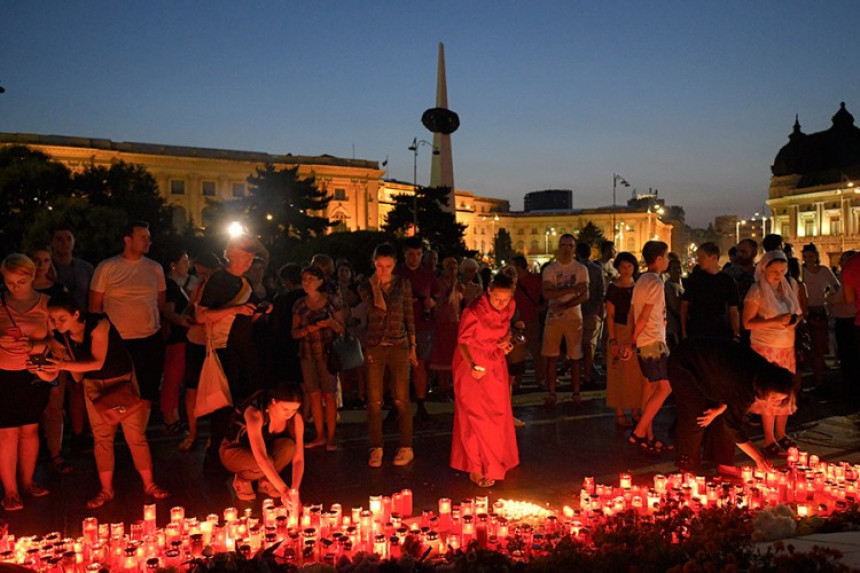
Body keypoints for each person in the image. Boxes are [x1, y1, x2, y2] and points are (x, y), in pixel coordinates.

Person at [45, 292, 170, 508]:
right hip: (94, 387)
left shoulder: (98, 324)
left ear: (76, 314)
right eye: (53, 320)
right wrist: (47, 366)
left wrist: (63, 365)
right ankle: (106, 490)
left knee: (135, 435)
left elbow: (97, 362)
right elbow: (74, 374)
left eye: (62, 319)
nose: (57, 324)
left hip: (120, 381)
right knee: (102, 439)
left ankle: (149, 484)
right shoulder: (60, 337)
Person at [669, 338, 794, 475]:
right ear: (766, 387)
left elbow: (731, 396)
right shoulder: (746, 384)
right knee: (698, 416)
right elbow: (734, 425)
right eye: (774, 398)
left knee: (724, 415)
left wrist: (719, 409)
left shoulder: (762, 373)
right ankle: (687, 466)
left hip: (714, 372)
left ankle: (724, 463)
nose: (775, 403)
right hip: (686, 364)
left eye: (780, 400)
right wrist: (758, 457)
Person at [197, 234, 270, 457]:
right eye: (245, 254)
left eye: (251, 255)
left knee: (247, 398)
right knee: (225, 403)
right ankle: (219, 450)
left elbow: (244, 316)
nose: (249, 259)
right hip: (225, 347)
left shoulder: (245, 282)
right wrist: (235, 310)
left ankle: (242, 445)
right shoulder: (219, 279)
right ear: (231, 254)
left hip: (244, 347)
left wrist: (259, 311)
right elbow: (201, 316)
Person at [450, 272, 519, 488]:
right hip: (471, 363)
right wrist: (472, 364)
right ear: (488, 291)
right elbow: (462, 342)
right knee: (474, 416)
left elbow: (505, 332)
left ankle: (495, 461)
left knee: (497, 414)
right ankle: (475, 466)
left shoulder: (510, 307)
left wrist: (507, 342)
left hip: (495, 362)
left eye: (505, 299)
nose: (501, 303)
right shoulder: (474, 311)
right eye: (497, 298)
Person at [89, 221, 166, 407]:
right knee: (117, 392)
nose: (148, 241)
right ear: (127, 240)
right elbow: (94, 306)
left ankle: (139, 433)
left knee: (147, 390)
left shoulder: (155, 268)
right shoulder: (107, 267)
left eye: (149, 237)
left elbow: (160, 302)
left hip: (149, 339)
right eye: (143, 238)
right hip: (117, 341)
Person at [0, 254, 53, 511]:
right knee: (7, 433)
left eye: (20, 281)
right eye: (9, 282)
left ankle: (28, 480)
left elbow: (57, 341)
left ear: (32, 277)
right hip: (3, 373)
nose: (14, 287)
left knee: (30, 429)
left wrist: (35, 345)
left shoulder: (45, 304)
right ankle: (10, 490)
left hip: (33, 373)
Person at [743, 249, 802, 457]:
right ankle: (769, 437)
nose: (778, 275)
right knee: (770, 391)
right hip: (765, 348)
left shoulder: (789, 287)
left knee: (786, 389)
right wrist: (774, 321)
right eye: (774, 270)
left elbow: (797, 312)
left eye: (782, 270)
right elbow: (747, 323)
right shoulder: (756, 290)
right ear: (763, 269)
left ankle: (781, 431)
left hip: (786, 346)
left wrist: (792, 322)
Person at [364, 243, 417, 468]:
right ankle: (376, 447)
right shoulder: (366, 285)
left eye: (388, 266)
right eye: (379, 266)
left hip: (399, 344)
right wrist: (376, 288)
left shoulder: (403, 284)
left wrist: (413, 347)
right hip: (375, 346)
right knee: (375, 400)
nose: (383, 270)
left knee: (401, 398)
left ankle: (406, 446)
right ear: (374, 264)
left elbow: (408, 314)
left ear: (395, 265)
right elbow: (377, 310)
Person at [28, 246, 73, 474]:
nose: (41, 265)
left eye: (45, 260)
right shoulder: (17, 292)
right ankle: (30, 456)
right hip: (28, 353)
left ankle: (56, 452)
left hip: (55, 352)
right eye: (36, 260)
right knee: (29, 406)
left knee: (55, 405)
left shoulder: (57, 290)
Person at [219, 387, 305, 505]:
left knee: (290, 447)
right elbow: (261, 459)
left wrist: (294, 492)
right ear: (274, 401)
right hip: (234, 451)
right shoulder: (255, 413)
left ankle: (266, 481)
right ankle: (242, 479)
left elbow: (298, 459)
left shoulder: (296, 418)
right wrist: (284, 490)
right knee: (265, 462)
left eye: (294, 409)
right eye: (285, 408)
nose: (289, 414)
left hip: (264, 455)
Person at [291, 266, 345, 451]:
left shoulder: (331, 301)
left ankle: (331, 436)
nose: (307, 282)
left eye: (311, 279)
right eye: (304, 279)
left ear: (320, 281)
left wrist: (331, 323)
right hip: (307, 354)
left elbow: (343, 327)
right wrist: (307, 329)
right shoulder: (299, 304)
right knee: (313, 394)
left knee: (329, 395)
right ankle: (320, 435)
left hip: (327, 353)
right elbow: (294, 333)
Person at [50, 226, 93, 452]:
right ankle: (52, 440)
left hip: (80, 330)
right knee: (56, 385)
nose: (64, 243)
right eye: (60, 239)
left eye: (68, 238)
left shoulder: (86, 269)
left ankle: (78, 431)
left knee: (78, 383)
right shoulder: (47, 269)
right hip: (54, 332)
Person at [629, 241, 672, 454]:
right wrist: (632, 340)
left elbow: (634, 312)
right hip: (653, 341)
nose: (668, 260)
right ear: (658, 259)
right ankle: (639, 432)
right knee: (665, 387)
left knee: (650, 387)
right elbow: (644, 316)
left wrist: (634, 340)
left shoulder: (641, 280)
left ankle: (649, 436)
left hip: (646, 341)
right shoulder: (656, 283)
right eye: (666, 256)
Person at [178, 252, 221, 452]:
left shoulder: (220, 287)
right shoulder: (199, 286)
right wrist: (185, 317)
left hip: (213, 342)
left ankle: (214, 434)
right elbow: (190, 308)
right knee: (192, 389)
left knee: (214, 390)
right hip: (195, 340)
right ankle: (193, 432)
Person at [541, 233, 589, 408]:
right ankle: (552, 393)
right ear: (559, 247)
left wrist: (564, 302)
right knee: (551, 356)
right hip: (554, 317)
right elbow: (547, 293)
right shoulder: (550, 269)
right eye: (563, 245)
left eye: (570, 245)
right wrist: (573, 289)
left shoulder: (581, 269)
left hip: (573, 317)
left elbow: (585, 294)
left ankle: (576, 393)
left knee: (576, 356)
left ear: (574, 248)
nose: (566, 249)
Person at [395, 237, 440, 421]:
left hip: (422, 324)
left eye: (418, 254)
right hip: (401, 325)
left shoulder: (428, 274)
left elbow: (437, 295)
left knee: (420, 364)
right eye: (411, 254)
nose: (415, 258)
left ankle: (420, 403)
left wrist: (432, 302)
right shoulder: (397, 273)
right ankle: (399, 403)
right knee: (399, 367)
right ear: (405, 254)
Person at [605, 252, 646, 427]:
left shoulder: (638, 287)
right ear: (618, 267)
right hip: (620, 331)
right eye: (623, 266)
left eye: (630, 266)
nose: (626, 270)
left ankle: (635, 408)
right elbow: (610, 316)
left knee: (636, 374)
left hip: (635, 333)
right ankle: (620, 411)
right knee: (618, 372)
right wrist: (613, 339)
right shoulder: (613, 289)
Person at [680, 242, 740, 341]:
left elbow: (733, 310)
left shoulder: (727, 280)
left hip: (720, 331)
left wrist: (736, 333)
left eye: (702, 257)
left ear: (713, 257)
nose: (698, 260)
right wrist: (684, 331)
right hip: (697, 330)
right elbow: (684, 305)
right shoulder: (695, 278)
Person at [161, 249, 192, 434]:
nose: (187, 265)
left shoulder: (174, 285)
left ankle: (174, 416)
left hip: (180, 337)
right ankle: (169, 418)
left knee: (175, 379)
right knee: (172, 379)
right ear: (173, 265)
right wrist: (186, 321)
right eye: (184, 261)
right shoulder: (170, 286)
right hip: (175, 338)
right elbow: (168, 312)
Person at [800, 243, 839, 387]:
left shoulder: (824, 271)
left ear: (816, 256)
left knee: (819, 347)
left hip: (819, 311)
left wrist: (829, 298)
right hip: (805, 310)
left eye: (810, 256)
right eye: (805, 257)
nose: (808, 259)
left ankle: (819, 380)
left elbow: (836, 287)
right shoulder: (801, 271)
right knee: (806, 346)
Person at [429, 257, 464, 399]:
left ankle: (451, 387)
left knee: (454, 359)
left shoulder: (458, 285)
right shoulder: (440, 284)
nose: (452, 269)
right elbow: (440, 302)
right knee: (443, 358)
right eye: (450, 266)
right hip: (443, 324)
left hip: (455, 324)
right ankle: (443, 388)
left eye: (455, 266)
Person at [511, 255, 546, 388]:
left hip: (530, 320)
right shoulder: (515, 282)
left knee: (534, 351)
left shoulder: (534, 280)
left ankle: (539, 378)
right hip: (518, 321)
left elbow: (545, 298)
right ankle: (519, 380)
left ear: (519, 267)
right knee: (518, 353)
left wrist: (541, 308)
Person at [576, 242, 606, 388]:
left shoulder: (574, 269)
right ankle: (588, 374)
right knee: (590, 346)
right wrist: (601, 312)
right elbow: (601, 293)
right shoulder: (596, 270)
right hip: (591, 311)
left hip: (575, 312)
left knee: (576, 346)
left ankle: (580, 374)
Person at [830, 251, 858, 385]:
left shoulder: (850, 267)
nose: (841, 262)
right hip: (848, 318)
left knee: (849, 354)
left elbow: (848, 298)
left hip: (853, 318)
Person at [664, 257, 684, 349]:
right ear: (669, 271)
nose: (677, 270)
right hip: (674, 326)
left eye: (679, 268)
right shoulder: (669, 286)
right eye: (674, 268)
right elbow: (675, 306)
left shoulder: (680, 284)